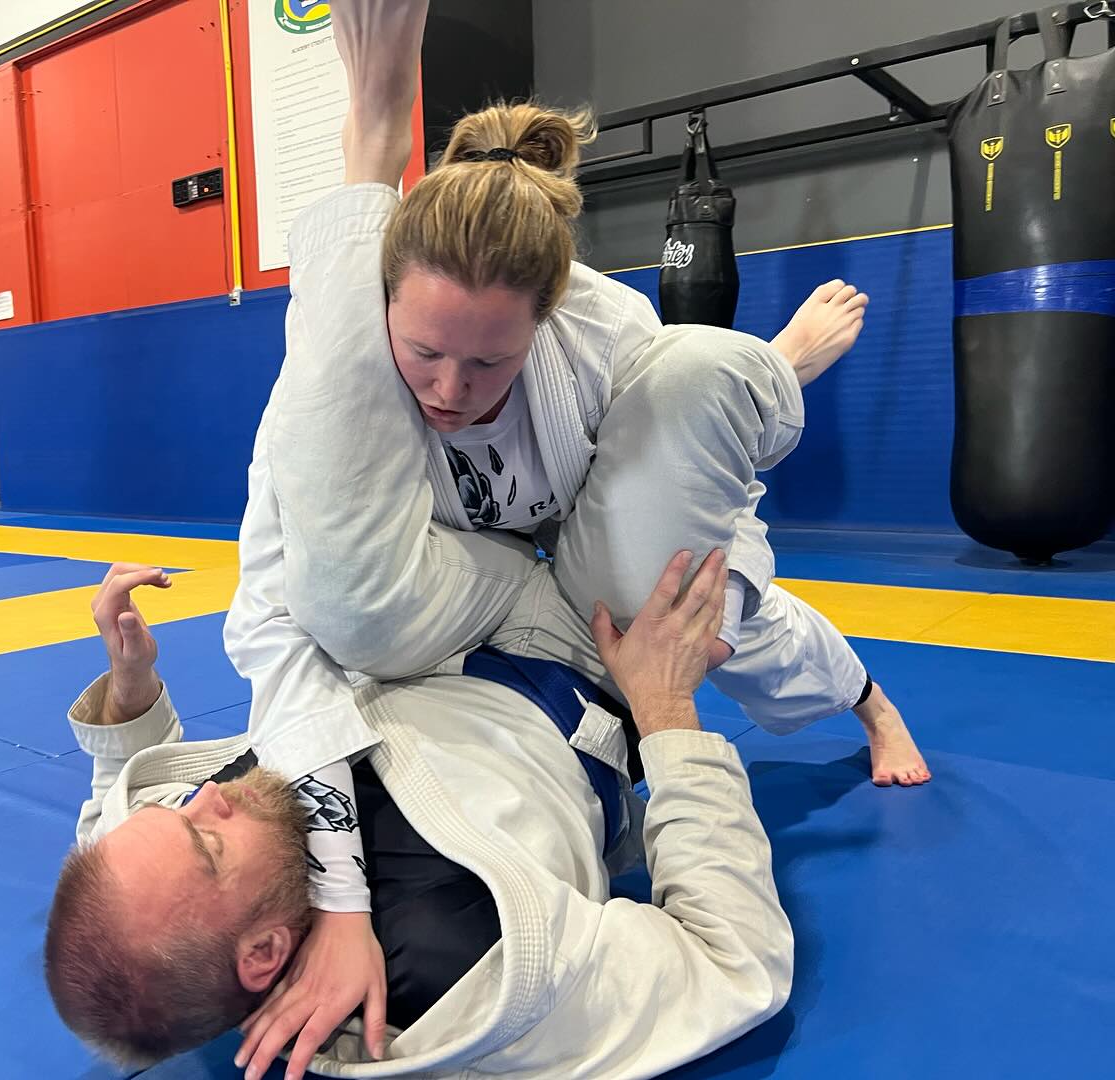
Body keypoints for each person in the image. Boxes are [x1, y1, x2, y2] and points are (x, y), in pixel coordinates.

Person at [222, 0, 927, 1065]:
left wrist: (681, 651)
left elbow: (689, 474)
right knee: (352, 615)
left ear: (544, 321)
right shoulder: (340, 374)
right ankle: (370, 130)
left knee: (674, 601)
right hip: (477, 572)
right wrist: (342, 892)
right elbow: (282, 610)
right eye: (423, 354)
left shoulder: (602, 333)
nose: (451, 389)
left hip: (587, 536)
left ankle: (868, 695)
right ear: (381, 318)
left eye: (489, 363)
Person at [46, 548, 793, 1079]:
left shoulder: (160, 877)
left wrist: (131, 686)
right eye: (207, 840)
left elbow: (120, 800)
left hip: (415, 628)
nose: (206, 796)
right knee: (686, 427)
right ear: (264, 955)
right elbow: (735, 963)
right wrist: (665, 707)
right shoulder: (466, 984)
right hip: (581, 657)